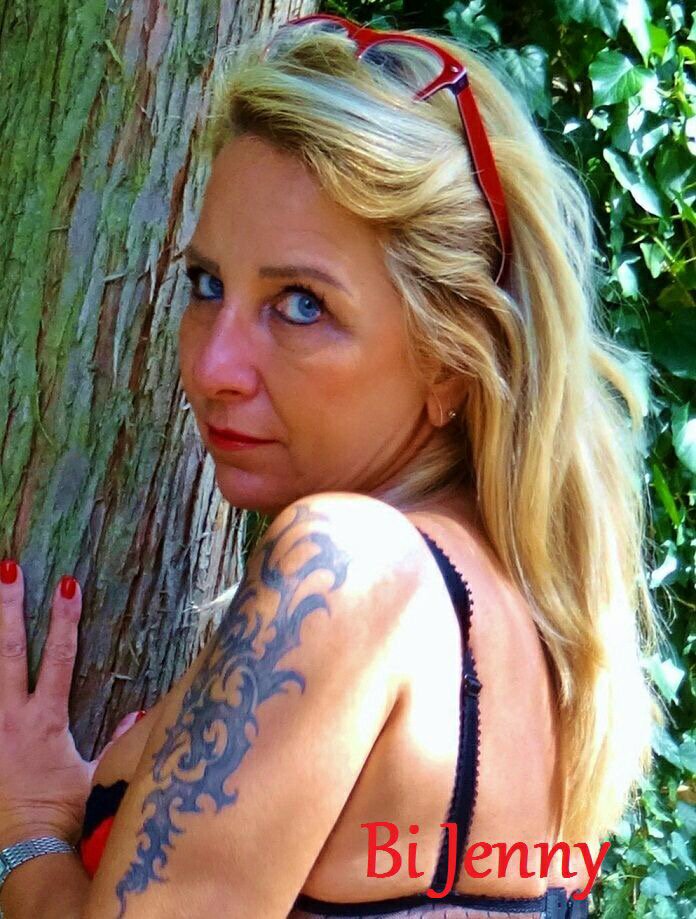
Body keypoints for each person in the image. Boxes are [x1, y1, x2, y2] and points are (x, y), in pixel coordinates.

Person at [0, 12, 664, 919]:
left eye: (301, 304)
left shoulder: (348, 570)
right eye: (207, 285)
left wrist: (30, 834)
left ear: (450, 359)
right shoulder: (542, 635)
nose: (213, 365)